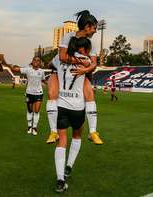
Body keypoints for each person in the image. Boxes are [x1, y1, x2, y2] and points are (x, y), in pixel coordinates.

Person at [46, 10, 103, 145]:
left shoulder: (91, 43)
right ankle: (53, 131)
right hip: (57, 68)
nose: (95, 31)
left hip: (79, 70)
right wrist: (81, 62)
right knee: (52, 94)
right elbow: (62, 57)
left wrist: (85, 69)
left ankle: (93, 132)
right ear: (87, 26)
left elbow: (94, 64)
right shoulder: (68, 36)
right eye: (94, 28)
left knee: (90, 95)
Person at [52, 37, 92, 193]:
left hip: (61, 105)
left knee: (61, 140)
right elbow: (91, 67)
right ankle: (69, 166)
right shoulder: (85, 59)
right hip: (77, 106)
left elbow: (52, 65)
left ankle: (60, 180)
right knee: (76, 136)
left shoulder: (58, 58)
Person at [0, 57, 46, 136]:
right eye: (34, 60)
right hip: (29, 93)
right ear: (32, 61)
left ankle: (34, 127)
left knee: (37, 111)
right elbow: (15, 69)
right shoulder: (27, 69)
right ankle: (29, 126)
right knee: (30, 110)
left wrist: (52, 86)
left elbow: (44, 80)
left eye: (38, 60)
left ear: (40, 63)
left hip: (39, 93)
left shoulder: (42, 72)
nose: (36, 61)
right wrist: (5, 62)